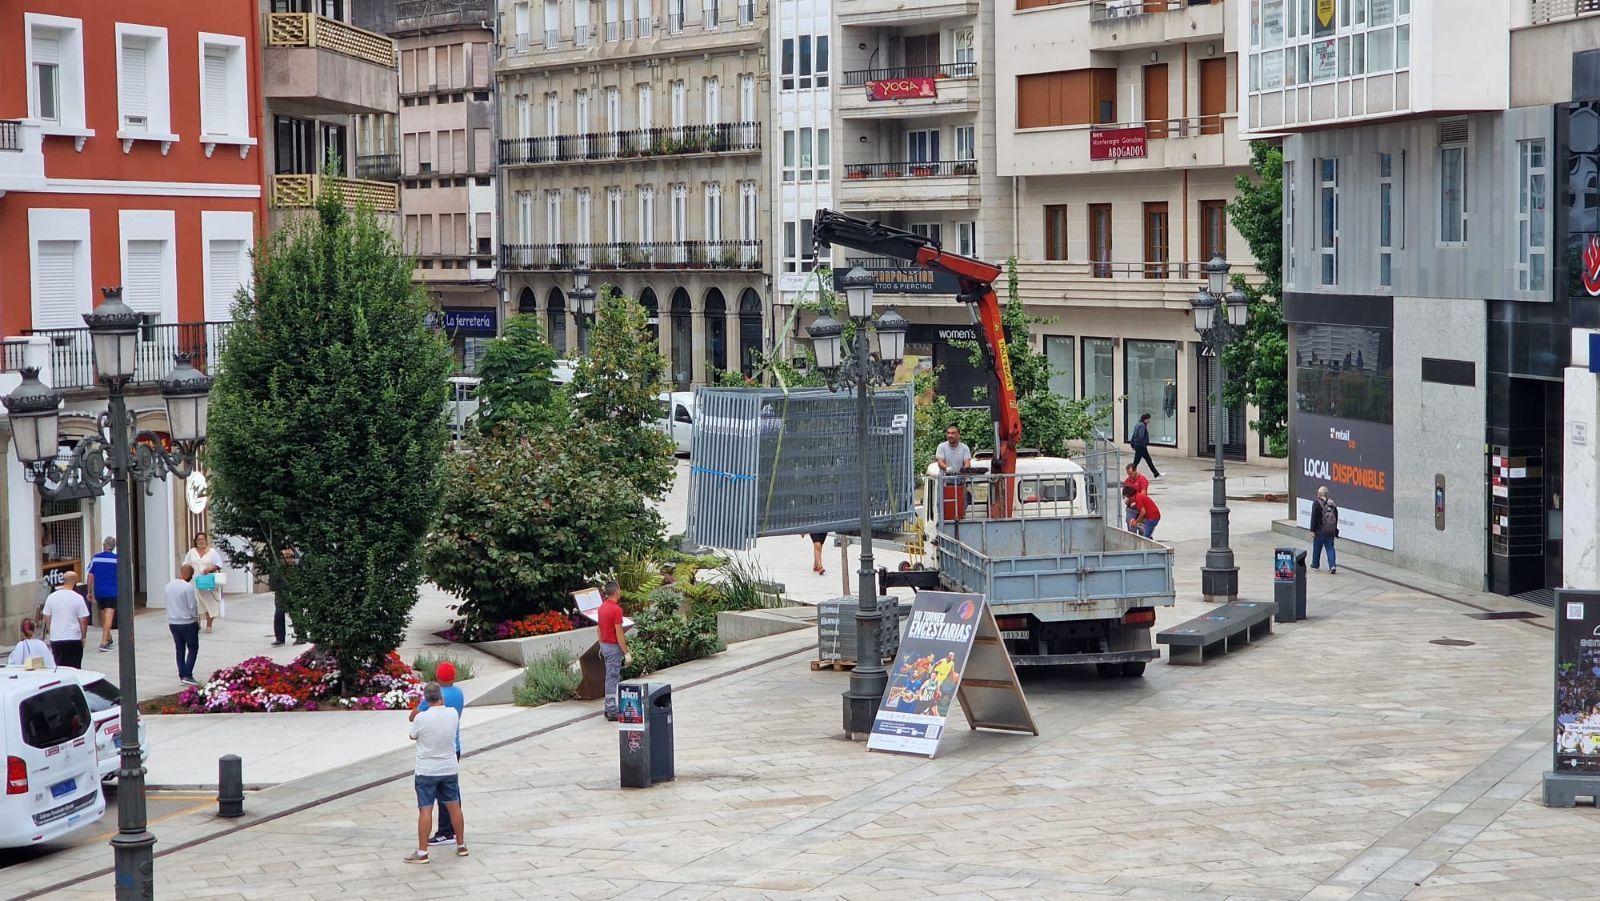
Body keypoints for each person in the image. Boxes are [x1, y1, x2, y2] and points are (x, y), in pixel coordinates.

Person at [405, 682, 466, 864]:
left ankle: (422, 852)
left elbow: (412, 735)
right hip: (449, 767)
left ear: (425, 698)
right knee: (454, 806)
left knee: (425, 809)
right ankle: (461, 845)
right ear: (441, 696)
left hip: (427, 770)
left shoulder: (421, 719)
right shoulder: (453, 714)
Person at [415, 662, 466, 847]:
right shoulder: (459, 693)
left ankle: (445, 831)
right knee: (453, 793)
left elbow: (414, 716)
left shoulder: (437, 696)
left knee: (440, 796)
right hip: (454, 746)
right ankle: (457, 836)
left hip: (435, 753)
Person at [597, 580, 630, 721]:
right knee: (612, 678)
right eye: (620, 589)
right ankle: (611, 710)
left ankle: (608, 707)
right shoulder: (616, 610)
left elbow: (598, 629)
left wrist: (601, 645)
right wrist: (626, 651)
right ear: (616, 591)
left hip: (605, 646)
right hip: (613, 647)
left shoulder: (602, 608)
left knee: (610, 676)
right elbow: (619, 632)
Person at [41, 571, 90, 668]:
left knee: (59, 667)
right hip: (73, 638)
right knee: (74, 667)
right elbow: (83, 619)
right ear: (74, 582)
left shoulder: (51, 597)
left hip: (56, 638)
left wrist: (51, 631)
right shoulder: (78, 598)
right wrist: (83, 636)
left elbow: (47, 616)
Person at [166, 564, 201, 686]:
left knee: (179, 649)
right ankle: (188, 674)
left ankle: (182, 674)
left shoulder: (168, 586)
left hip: (173, 622)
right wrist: (196, 620)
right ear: (188, 575)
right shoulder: (188, 587)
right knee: (193, 648)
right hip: (187, 622)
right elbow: (192, 606)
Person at [182, 532, 225, 633]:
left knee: (210, 603)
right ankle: (197, 624)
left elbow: (219, 564)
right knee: (195, 603)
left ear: (205, 540)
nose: (201, 541)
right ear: (196, 541)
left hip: (208, 581)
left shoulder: (212, 552)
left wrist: (210, 568)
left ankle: (209, 625)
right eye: (198, 539)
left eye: (202, 539)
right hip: (195, 581)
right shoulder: (192, 552)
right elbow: (185, 564)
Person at [87, 537, 119, 653]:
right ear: (113, 547)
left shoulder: (96, 558)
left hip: (99, 591)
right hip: (112, 591)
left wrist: (89, 591)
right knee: (109, 617)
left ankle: (108, 637)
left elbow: (90, 575)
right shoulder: (116, 559)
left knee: (103, 615)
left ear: (104, 545)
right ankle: (103, 642)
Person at [269, 547, 300, 648]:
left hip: (293, 589)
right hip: (281, 590)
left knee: (295, 613)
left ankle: (300, 636)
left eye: (289, 556)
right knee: (279, 613)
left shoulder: (295, 562)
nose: (287, 558)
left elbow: (299, 564)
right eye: (285, 557)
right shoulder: (278, 563)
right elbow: (274, 575)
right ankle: (280, 638)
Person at [1310, 486, 1339, 574]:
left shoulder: (1316, 503)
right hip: (1330, 531)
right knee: (1330, 548)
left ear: (1319, 494)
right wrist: (1334, 529)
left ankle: (1315, 565)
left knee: (1317, 547)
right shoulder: (1332, 504)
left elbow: (1314, 517)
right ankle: (1332, 565)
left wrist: (1312, 530)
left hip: (1320, 530)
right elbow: (1336, 517)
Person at [1130, 413, 1161, 479]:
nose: (1149, 421)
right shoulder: (1142, 426)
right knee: (1136, 462)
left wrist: (1132, 444)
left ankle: (1156, 474)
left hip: (1138, 446)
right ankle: (1131, 474)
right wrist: (1143, 444)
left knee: (1148, 460)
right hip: (1141, 447)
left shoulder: (1137, 424)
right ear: (1145, 419)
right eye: (1148, 419)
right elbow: (1141, 436)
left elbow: (1133, 436)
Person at [1122, 463, 1149, 530]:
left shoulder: (1142, 480)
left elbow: (1143, 494)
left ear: (1135, 470)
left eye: (1131, 473)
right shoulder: (1127, 481)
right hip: (1131, 509)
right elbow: (1123, 493)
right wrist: (1125, 498)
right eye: (1128, 473)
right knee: (1131, 526)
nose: (1129, 475)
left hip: (1140, 508)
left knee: (1142, 529)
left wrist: (1136, 502)